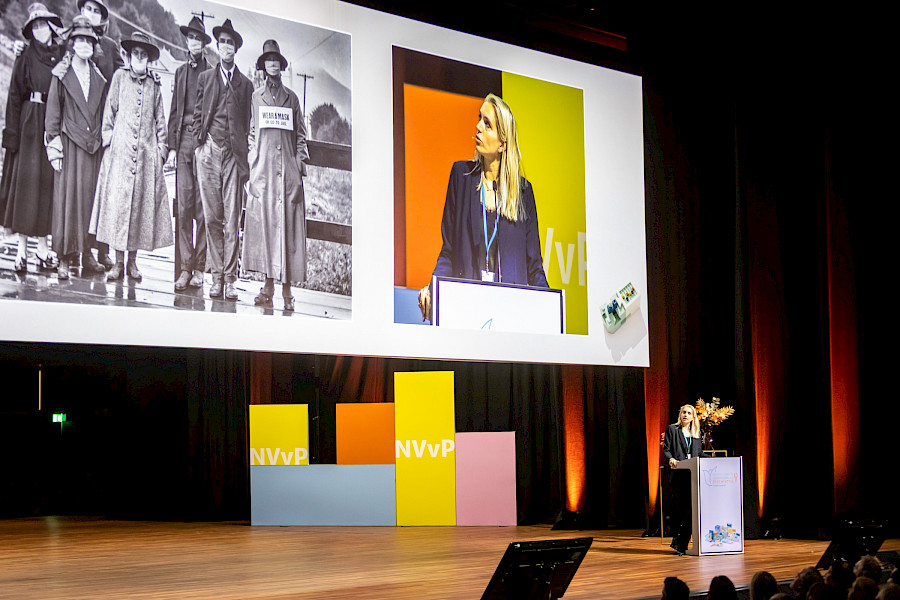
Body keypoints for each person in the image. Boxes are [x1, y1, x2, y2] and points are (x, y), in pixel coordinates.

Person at [417, 93, 548, 321]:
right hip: (467, 309)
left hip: (510, 314)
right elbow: (449, 250)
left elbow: (534, 267)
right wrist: (433, 289)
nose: (478, 127)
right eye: (480, 119)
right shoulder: (461, 176)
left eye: (487, 124)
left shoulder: (524, 193)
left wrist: (548, 311)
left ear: (502, 143)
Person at [89, 31, 172, 281]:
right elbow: (109, 113)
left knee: (138, 209)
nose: (139, 57)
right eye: (135, 53)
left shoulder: (154, 85)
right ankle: (118, 262)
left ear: (148, 59)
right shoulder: (119, 78)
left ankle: (133, 263)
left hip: (146, 156)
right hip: (120, 155)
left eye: (143, 54)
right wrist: (109, 143)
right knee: (119, 208)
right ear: (129, 55)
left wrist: (160, 151)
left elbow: (160, 121)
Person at [242, 39, 309, 313]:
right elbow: (252, 134)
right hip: (264, 175)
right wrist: (253, 162)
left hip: (288, 176)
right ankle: (268, 287)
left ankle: (287, 290)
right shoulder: (256, 97)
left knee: (288, 231)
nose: (272, 64)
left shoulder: (291, 98)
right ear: (263, 65)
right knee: (268, 229)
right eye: (267, 59)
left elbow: (302, 136)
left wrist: (297, 164)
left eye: (276, 60)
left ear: (281, 66)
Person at [1, 3, 65, 273]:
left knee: (46, 186)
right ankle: (21, 252)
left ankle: (42, 249)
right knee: (26, 188)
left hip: (51, 122)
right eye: (34, 26)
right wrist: (12, 134)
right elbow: (14, 96)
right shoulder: (24, 55)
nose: (39, 30)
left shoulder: (62, 54)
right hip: (28, 122)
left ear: (51, 26)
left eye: (43, 25)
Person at [193, 18, 253, 300]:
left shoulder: (245, 85)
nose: (226, 46)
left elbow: (248, 123)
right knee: (212, 218)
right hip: (208, 153)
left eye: (231, 42)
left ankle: (230, 280)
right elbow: (197, 115)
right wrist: (199, 146)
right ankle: (215, 277)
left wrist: (243, 156)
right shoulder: (206, 78)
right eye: (222, 42)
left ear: (235, 48)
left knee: (231, 219)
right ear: (217, 46)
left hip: (233, 158)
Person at [44, 14, 107, 280]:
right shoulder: (61, 73)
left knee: (90, 203)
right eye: (79, 39)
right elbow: (53, 112)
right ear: (72, 43)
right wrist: (54, 147)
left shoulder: (99, 77)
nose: (84, 44)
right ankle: (64, 258)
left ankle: (86, 254)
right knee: (67, 203)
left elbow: (103, 113)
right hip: (69, 146)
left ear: (94, 44)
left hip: (92, 148)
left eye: (88, 39)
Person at [76, 0, 123, 270]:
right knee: (81, 191)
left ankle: (102, 250)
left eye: (96, 11)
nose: (91, 15)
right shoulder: (70, 41)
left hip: (103, 129)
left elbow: (119, 85)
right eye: (88, 9)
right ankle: (81, 252)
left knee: (103, 191)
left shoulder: (110, 48)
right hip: (77, 126)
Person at [167, 16, 212, 291]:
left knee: (204, 209)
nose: (194, 42)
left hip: (204, 143)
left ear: (204, 43)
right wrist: (172, 146)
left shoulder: (212, 73)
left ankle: (199, 268)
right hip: (183, 141)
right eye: (190, 37)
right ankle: (185, 268)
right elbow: (174, 110)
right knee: (183, 207)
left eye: (198, 38)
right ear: (186, 40)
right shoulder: (180, 72)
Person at [663, 403, 708, 555]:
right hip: (678, 474)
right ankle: (679, 543)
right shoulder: (672, 429)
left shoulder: (696, 433)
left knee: (692, 511)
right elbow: (667, 450)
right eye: (683, 412)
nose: (685, 415)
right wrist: (671, 459)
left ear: (693, 416)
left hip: (693, 475)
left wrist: (714, 459)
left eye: (689, 413)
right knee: (680, 510)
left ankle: (681, 543)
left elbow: (700, 454)